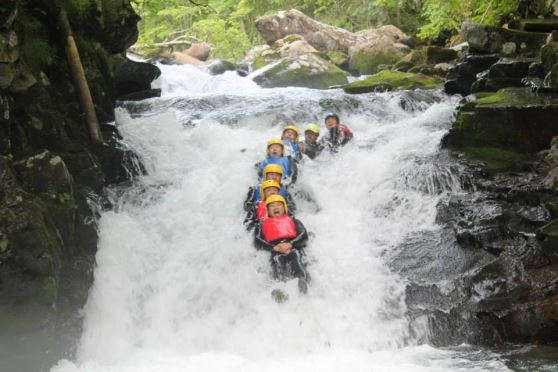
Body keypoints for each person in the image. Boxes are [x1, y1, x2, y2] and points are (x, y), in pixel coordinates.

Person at [254, 195, 309, 293]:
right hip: (276, 249)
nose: (275, 207)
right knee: (277, 260)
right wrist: (273, 248)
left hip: (293, 246)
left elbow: (304, 235)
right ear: (267, 210)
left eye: (279, 205)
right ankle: (280, 287)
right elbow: (257, 241)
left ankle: (301, 281)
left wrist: (291, 244)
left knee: (296, 256)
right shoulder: (262, 224)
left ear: (284, 208)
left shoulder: (293, 220)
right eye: (272, 206)